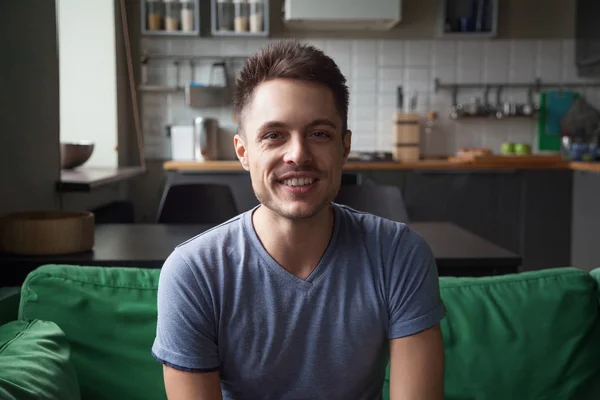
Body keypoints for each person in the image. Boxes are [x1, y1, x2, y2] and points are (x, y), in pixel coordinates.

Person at [152, 40, 446, 400]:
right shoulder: (193, 273)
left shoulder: (400, 255)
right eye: (274, 135)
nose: (298, 154)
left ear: (345, 147)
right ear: (243, 152)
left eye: (319, 134)